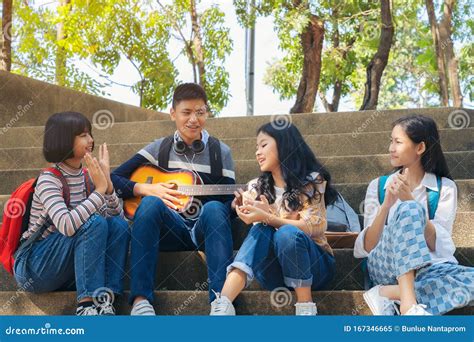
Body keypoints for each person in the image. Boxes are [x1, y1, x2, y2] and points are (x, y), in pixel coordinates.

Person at [111, 83, 236, 315]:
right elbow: (114, 178)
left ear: (207, 112)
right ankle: (140, 301)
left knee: (216, 208)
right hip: (169, 230)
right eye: (186, 112)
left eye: (200, 112)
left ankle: (221, 300)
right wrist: (147, 189)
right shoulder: (161, 148)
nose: (193, 120)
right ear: (173, 113)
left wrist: (236, 205)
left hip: (203, 230)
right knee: (149, 204)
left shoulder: (221, 152)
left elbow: (229, 201)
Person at [210, 122, 338, 316]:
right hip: (273, 274)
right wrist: (251, 213)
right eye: (256, 147)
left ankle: (305, 307)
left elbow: (315, 226)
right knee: (262, 229)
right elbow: (262, 233)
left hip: (315, 268)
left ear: (283, 144)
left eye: (263, 145)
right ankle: (224, 302)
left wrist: (269, 216)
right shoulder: (255, 187)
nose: (257, 152)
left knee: (287, 233)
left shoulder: (312, 180)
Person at [354, 114, 474, 315]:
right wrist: (387, 206)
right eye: (391, 141)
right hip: (386, 266)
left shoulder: (444, 187)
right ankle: (408, 305)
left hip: (431, 268)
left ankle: (388, 294)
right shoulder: (379, 186)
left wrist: (409, 199)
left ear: (420, 147)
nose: (391, 148)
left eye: (398, 142)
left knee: (411, 207)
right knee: (409, 209)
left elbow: (440, 245)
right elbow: (368, 247)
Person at [13, 111, 130, 316]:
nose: (91, 140)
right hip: (36, 267)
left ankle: (105, 300)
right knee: (94, 223)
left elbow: (118, 223)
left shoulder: (88, 177)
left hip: (69, 268)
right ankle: (86, 305)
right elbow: (66, 225)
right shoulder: (49, 179)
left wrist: (108, 185)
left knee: (117, 225)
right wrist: (99, 190)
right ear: (63, 139)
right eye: (83, 135)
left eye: (90, 134)